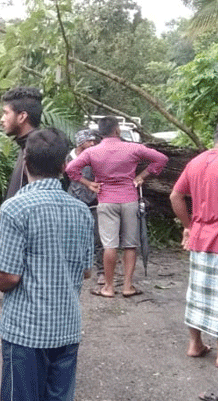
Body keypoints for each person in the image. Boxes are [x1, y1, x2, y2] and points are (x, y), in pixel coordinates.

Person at [0, 128, 94, 401]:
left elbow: (9, 276)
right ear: (65, 166)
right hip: (65, 330)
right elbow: (86, 269)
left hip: (26, 335)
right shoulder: (80, 211)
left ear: (25, 163)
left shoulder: (15, 208)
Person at [65, 116, 168, 298]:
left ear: (100, 133)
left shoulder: (92, 152)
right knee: (130, 245)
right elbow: (161, 159)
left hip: (106, 201)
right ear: (117, 130)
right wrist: (142, 176)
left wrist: (88, 184)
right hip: (129, 199)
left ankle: (109, 287)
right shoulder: (133, 148)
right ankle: (128, 286)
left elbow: (71, 169)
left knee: (109, 245)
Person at [169, 123, 218, 372]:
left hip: (200, 237)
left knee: (199, 292)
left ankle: (195, 343)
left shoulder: (197, 162)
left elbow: (175, 196)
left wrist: (188, 225)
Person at [66, 129, 103, 284]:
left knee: (99, 237)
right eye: (90, 141)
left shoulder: (95, 157)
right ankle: (74, 267)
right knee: (73, 235)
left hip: (93, 201)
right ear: (81, 143)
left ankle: (101, 271)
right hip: (73, 200)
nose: (93, 143)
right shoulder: (68, 157)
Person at [0, 87, 43, 200]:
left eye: (6, 113)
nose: (2, 119)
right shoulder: (27, 146)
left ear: (22, 116)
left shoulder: (37, 152)